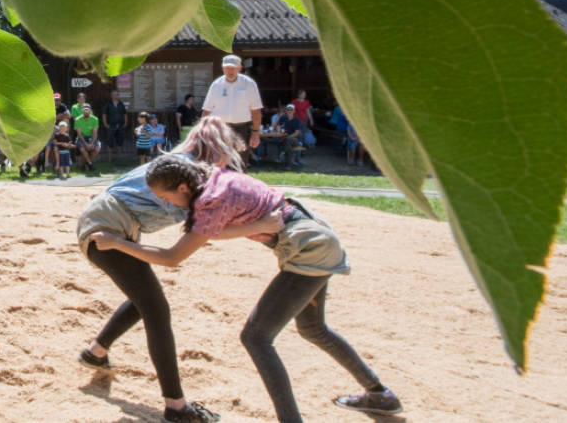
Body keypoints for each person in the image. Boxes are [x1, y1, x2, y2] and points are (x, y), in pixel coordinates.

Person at [89, 155, 403, 421]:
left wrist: (117, 242)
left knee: (256, 337)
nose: (163, 202)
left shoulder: (209, 202)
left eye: (166, 197)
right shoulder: (214, 180)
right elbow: (215, 232)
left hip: (306, 248)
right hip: (315, 236)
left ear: (183, 187)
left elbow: (172, 257)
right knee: (313, 329)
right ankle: (380, 394)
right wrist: (256, 227)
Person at [76, 117, 246, 423]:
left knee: (144, 300)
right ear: (215, 148)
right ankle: (176, 407)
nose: (228, 160)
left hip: (111, 219)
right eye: (227, 152)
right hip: (108, 224)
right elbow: (181, 247)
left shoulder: (181, 165)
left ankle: (96, 352)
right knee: (156, 308)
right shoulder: (188, 172)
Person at [201, 54, 263, 168]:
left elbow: (256, 110)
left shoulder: (249, 84)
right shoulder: (216, 85)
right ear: (222, 68)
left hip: (242, 129)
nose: (230, 71)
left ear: (239, 68)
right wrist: (203, 131)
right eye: (227, 68)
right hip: (220, 129)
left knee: (240, 163)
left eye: (233, 68)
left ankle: (238, 185)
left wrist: (255, 133)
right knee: (218, 163)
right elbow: (207, 110)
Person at [102, 90, 127, 162]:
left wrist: (125, 122)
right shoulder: (108, 104)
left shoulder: (121, 104)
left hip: (120, 125)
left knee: (120, 140)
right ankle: (110, 158)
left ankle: (120, 157)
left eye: (117, 95)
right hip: (111, 125)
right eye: (114, 95)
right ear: (111, 96)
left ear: (118, 96)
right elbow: (104, 114)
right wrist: (105, 124)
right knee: (110, 141)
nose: (115, 96)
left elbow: (125, 114)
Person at [75, 104, 101, 171]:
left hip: (91, 138)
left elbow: (95, 133)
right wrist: (86, 144)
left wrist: (92, 143)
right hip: (82, 138)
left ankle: (84, 164)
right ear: (82, 111)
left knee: (97, 148)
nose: (86, 112)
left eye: (87, 110)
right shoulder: (77, 119)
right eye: (85, 110)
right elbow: (79, 134)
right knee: (83, 149)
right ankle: (90, 164)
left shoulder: (95, 119)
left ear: (90, 111)